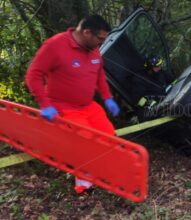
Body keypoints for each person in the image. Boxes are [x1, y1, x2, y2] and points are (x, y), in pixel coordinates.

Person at [25, 15, 120, 195]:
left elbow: (99, 76)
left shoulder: (94, 49)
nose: (101, 43)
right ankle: (84, 187)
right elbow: (33, 75)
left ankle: (102, 174)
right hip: (63, 107)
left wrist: (107, 97)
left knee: (109, 137)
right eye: (100, 38)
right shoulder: (55, 45)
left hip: (88, 106)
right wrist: (44, 104)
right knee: (84, 143)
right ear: (86, 32)